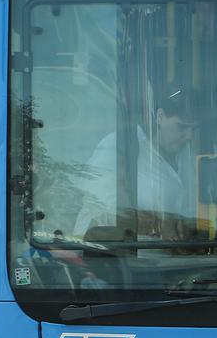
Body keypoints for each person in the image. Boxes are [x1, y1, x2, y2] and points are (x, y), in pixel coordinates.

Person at [74, 90, 197, 238]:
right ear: (160, 117)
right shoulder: (120, 145)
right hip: (115, 249)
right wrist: (157, 225)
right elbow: (100, 204)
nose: (189, 136)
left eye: (194, 129)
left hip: (169, 251)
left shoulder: (189, 159)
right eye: (182, 127)